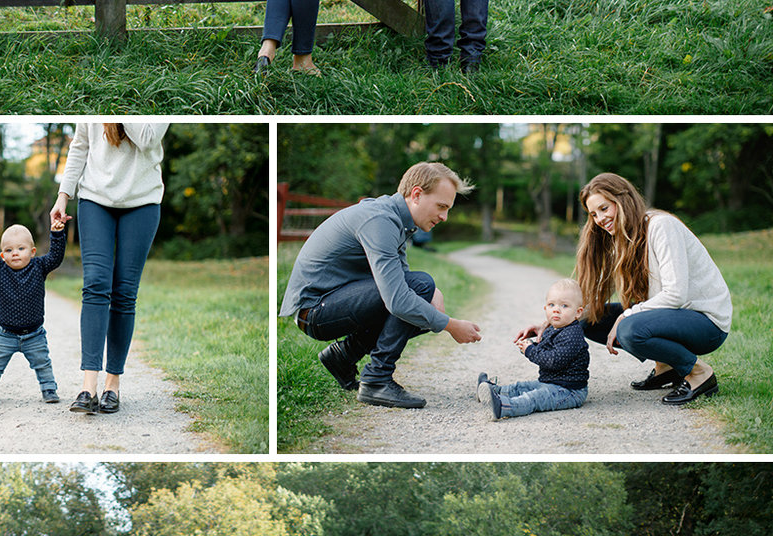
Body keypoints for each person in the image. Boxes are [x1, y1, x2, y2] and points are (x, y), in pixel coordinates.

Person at [279, 161, 483, 410]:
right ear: (417, 194)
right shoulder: (380, 220)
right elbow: (399, 299)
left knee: (423, 293)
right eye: (441, 206)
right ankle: (376, 380)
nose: (444, 217)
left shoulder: (396, 219)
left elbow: (402, 280)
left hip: (331, 302)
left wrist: (433, 293)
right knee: (419, 290)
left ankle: (343, 356)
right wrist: (451, 325)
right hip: (314, 311)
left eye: (448, 209)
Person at [573, 173, 732, 404]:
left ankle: (699, 373)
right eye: (593, 214)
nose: (599, 218)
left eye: (604, 208)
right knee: (588, 319)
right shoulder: (621, 238)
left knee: (629, 328)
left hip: (706, 322)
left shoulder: (661, 226)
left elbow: (676, 294)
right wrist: (558, 318)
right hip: (672, 318)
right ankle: (666, 367)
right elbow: (598, 291)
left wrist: (627, 315)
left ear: (623, 199)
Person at [50, 119, 168, 416]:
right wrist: (63, 195)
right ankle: (88, 385)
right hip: (95, 198)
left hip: (142, 200)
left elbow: (148, 138)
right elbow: (80, 145)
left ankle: (112, 384)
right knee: (95, 285)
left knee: (125, 292)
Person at [0, 218, 68, 405]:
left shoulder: (39, 266)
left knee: (42, 363)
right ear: (3, 255)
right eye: (9, 250)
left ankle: (49, 388)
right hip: (5, 334)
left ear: (32, 251)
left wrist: (57, 234)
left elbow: (55, 256)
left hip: (34, 334)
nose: (15, 253)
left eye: (21, 249)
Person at [478, 278, 589, 420]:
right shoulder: (554, 329)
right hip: (552, 383)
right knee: (524, 387)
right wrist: (528, 345)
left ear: (578, 312)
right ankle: (493, 391)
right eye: (551, 305)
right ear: (545, 308)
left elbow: (553, 360)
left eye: (564, 306)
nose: (556, 309)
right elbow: (545, 350)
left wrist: (530, 350)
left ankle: (504, 407)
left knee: (535, 397)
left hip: (569, 391)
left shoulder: (572, 334)